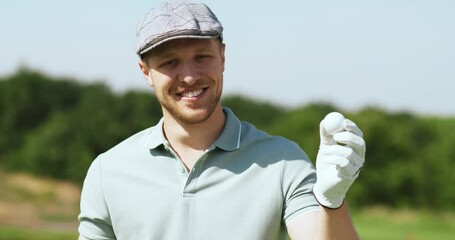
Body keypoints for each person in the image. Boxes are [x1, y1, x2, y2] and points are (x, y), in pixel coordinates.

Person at [78, 1, 366, 239]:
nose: (190, 76)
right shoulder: (108, 171)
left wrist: (332, 202)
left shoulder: (283, 161)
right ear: (145, 72)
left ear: (222, 57)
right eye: (170, 62)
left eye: (202, 56)